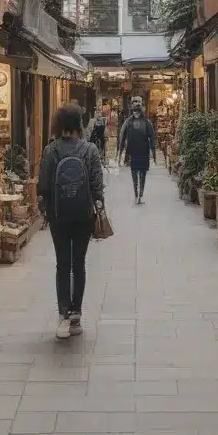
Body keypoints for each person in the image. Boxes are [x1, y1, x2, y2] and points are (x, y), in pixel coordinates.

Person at [37, 103, 105, 340]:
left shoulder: (50, 150)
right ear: (78, 124)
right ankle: (76, 312)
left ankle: (64, 313)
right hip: (84, 215)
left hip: (59, 216)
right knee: (79, 263)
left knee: (62, 264)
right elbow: (97, 185)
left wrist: (46, 212)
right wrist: (99, 209)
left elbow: (43, 186)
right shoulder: (90, 150)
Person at [118, 95, 155, 204]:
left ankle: (140, 195)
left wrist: (153, 153)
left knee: (142, 174)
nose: (136, 104)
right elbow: (122, 136)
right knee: (134, 174)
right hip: (133, 152)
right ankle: (136, 194)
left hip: (143, 152)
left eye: (138, 102)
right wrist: (120, 153)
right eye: (134, 102)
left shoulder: (147, 122)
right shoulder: (128, 122)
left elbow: (152, 137)